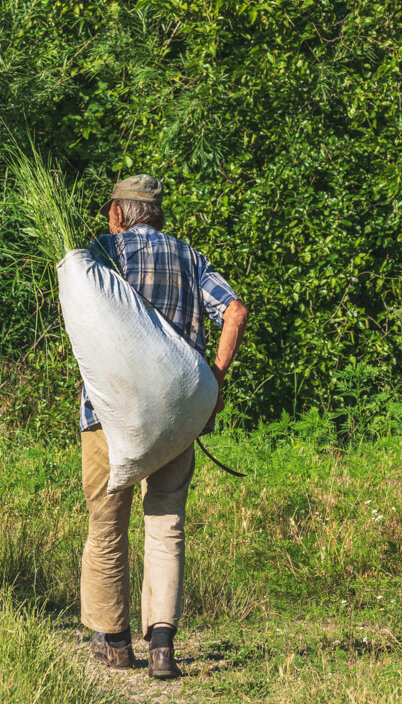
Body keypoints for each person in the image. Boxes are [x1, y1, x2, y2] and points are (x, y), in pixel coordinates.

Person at [79, 173, 249, 679]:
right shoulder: (189, 257)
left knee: (107, 525)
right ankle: (161, 647)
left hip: (109, 416)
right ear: (156, 215)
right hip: (177, 416)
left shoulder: (101, 254)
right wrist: (212, 385)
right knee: (166, 521)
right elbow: (235, 311)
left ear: (116, 213)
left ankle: (112, 641)